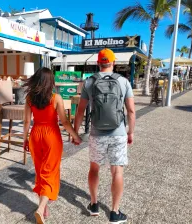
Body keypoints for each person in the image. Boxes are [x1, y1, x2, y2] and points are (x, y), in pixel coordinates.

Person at [73, 48, 135, 223]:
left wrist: (76, 133)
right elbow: (131, 111)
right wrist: (130, 132)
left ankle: (94, 204)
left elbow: (80, 111)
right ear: (113, 62)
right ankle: (114, 212)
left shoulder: (90, 82)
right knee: (117, 171)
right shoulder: (123, 81)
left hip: (96, 133)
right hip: (118, 133)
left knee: (94, 168)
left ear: (98, 63)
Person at [23, 67, 82, 224]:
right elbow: (64, 121)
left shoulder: (29, 98)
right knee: (50, 171)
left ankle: (44, 207)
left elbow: (27, 121)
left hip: (35, 135)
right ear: (51, 82)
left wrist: (25, 139)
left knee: (40, 171)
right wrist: (76, 136)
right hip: (51, 136)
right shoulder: (56, 98)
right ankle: (41, 208)